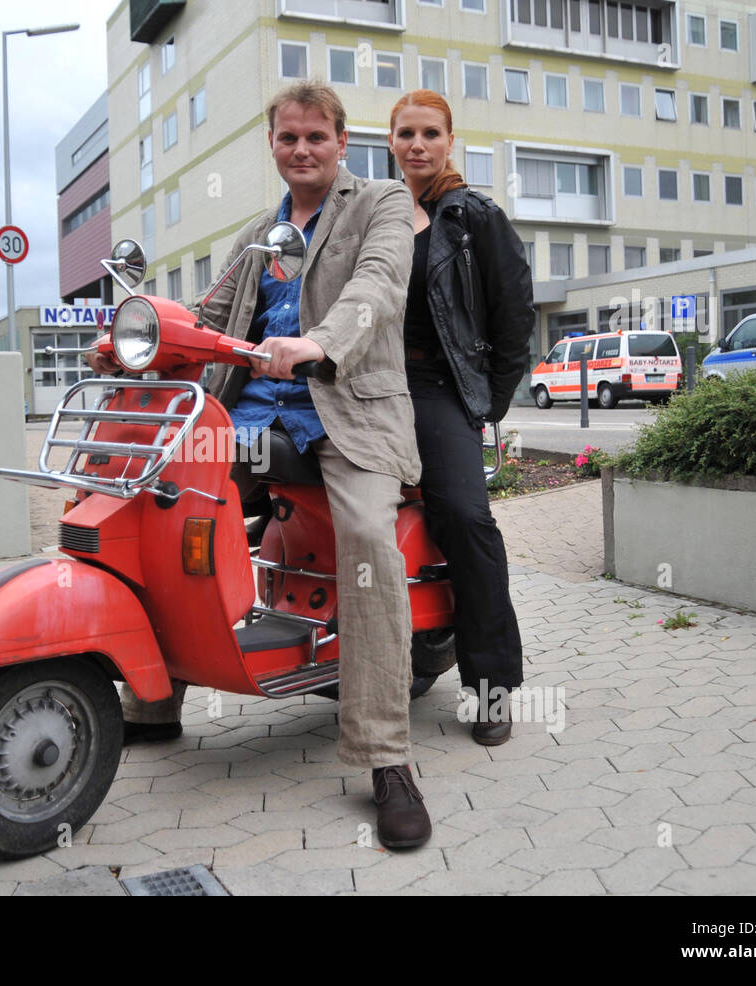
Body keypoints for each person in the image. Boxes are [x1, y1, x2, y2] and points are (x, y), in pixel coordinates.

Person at [86, 81, 430, 849]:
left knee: (370, 546)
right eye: (288, 139)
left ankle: (388, 758)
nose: (301, 150)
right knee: (153, 494)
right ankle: (155, 694)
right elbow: (206, 317)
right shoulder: (258, 234)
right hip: (249, 421)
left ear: (343, 141)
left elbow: (376, 289)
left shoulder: (380, 206)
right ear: (272, 145)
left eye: (316, 137)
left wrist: (317, 342)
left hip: (349, 419)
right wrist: (130, 341)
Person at [387, 89, 534, 744]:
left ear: (450, 142)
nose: (417, 144)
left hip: (438, 382)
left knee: (468, 519)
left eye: (429, 133)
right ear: (390, 142)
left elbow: (514, 314)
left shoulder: (473, 215)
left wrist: (488, 401)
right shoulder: (379, 215)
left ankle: (492, 687)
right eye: (405, 133)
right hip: (374, 384)